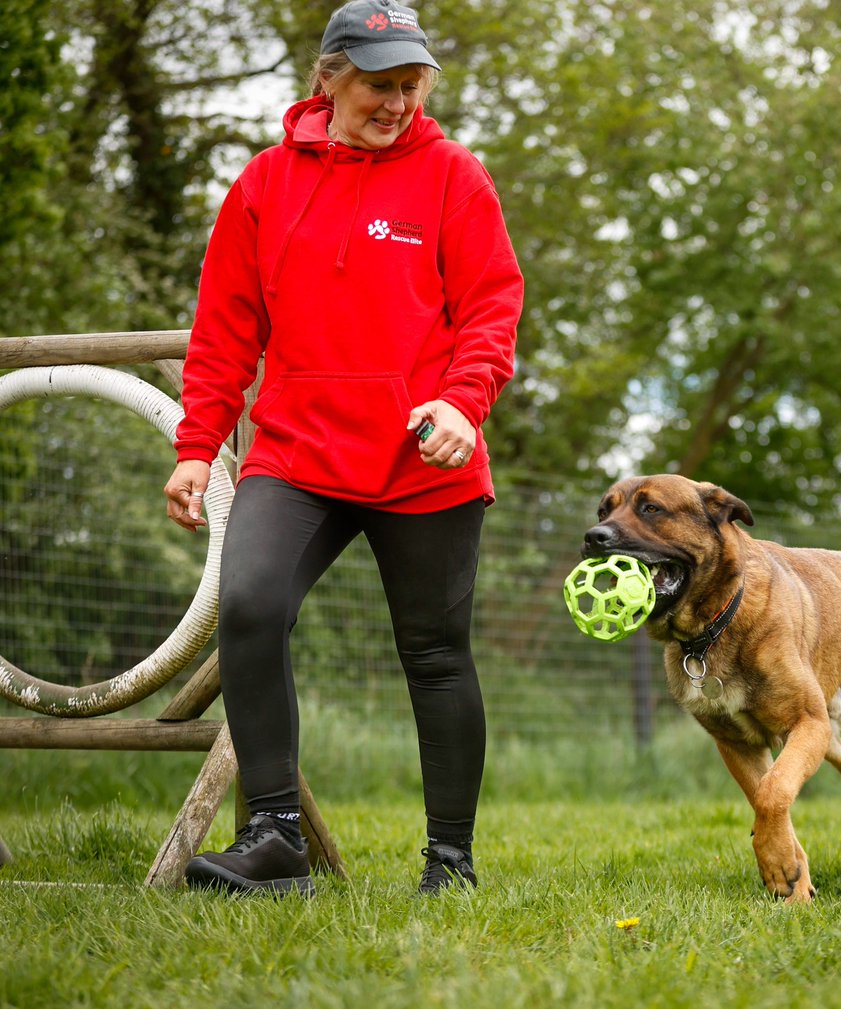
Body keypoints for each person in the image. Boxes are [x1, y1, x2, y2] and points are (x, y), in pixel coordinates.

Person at [163, 0, 523, 896]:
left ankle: (451, 861)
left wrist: (462, 405)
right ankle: (276, 839)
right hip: (298, 450)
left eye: (411, 85)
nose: (396, 103)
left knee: (435, 653)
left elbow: (490, 311)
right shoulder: (264, 185)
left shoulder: (454, 178)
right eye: (377, 84)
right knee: (248, 604)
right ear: (329, 78)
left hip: (423, 451)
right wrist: (198, 443)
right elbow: (223, 331)